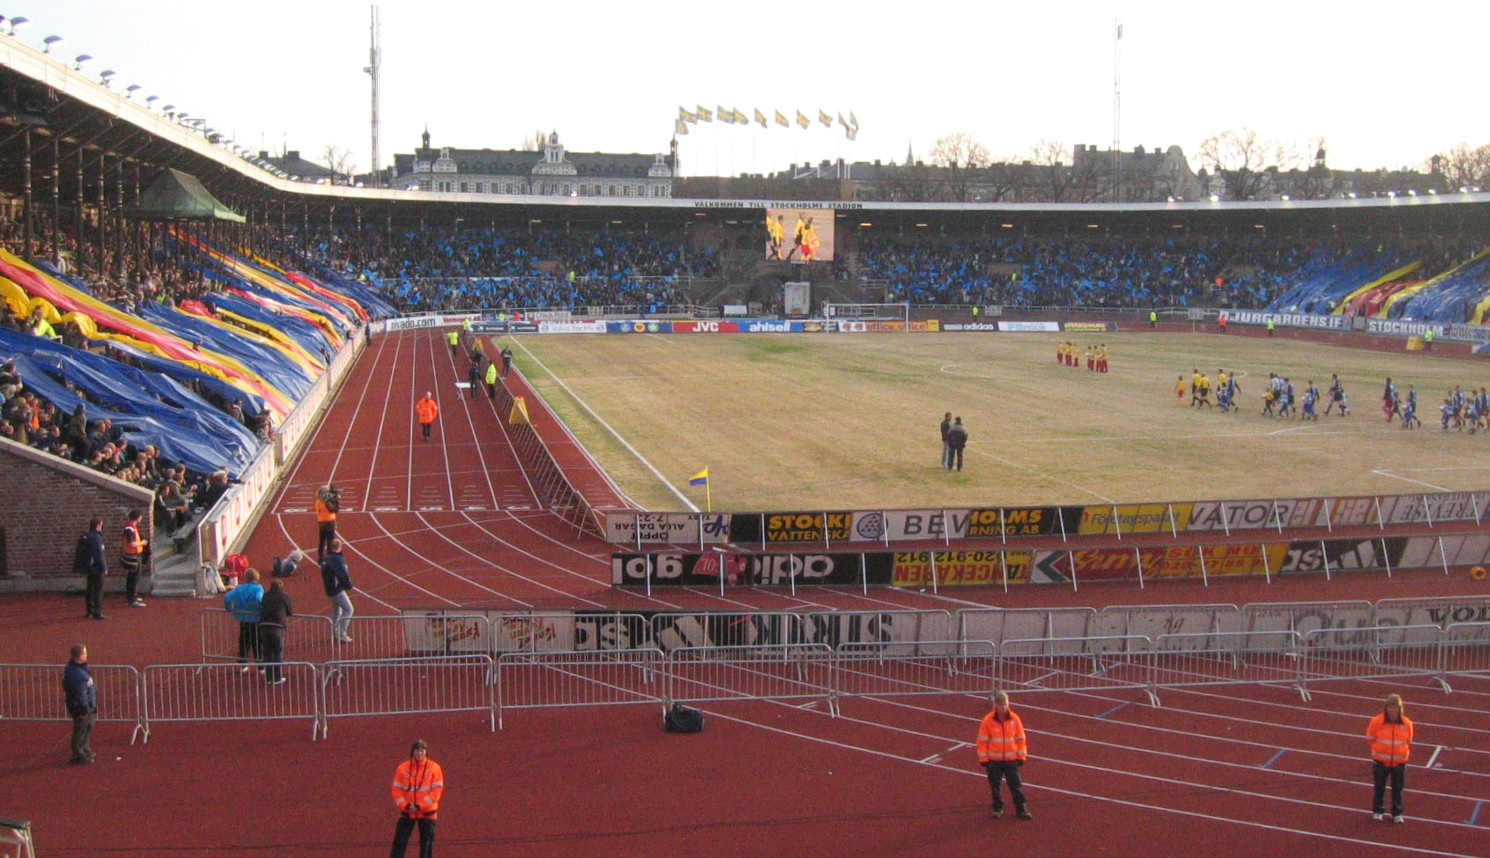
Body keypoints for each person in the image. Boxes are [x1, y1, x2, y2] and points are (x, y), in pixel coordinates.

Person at [977, 690, 1032, 820]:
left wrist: (1021, 756)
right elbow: (982, 741)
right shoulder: (988, 721)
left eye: (1006, 704)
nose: (1004, 707)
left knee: (1016, 785)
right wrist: (983, 759)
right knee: (995, 786)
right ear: (995, 705)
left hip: (1011, 759)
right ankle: (998, 808)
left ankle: (1021, 809)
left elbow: (1020, 738)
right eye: (1002, 705)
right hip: (994, 760)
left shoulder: (1014, 719)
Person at [391, 739, 444, 858]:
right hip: (407, 812)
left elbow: (437, 791)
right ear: (412, 752)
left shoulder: (434, 768)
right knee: (399, 843)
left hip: (427, 813)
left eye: (422, 750)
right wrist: (405, 805)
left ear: (426, 752)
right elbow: (396, 790)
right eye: (417, 750)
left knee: (426, 846)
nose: (419, 753)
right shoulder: (402, 768)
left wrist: (421, 805)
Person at [1367, 693, 1413, 823]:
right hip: (1381, 761)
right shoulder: (1377, 721)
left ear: (1400, 709)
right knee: (1379, 787)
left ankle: (1397, 813)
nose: (1393, 711)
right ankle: (1377, 811)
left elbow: (1408, 740)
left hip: (1399, 762)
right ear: (1386, 708)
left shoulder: (1407, 723)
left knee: (1398, 789)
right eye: (1390, 707)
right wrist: (1380, 751)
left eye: (1395, 708)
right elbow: (1370, 738)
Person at [223, 568, 264, 673]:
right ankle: (261, 666)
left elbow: (227, 597)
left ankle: (243, 664)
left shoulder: (240, 588)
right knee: (257, 642)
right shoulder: (258, 588)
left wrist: (230, 608)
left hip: (243, 618)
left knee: (244, 641)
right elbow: (259, 599)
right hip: (255, 618)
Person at [63, 643, 96, 765]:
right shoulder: (76, 674)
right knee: (80, 730)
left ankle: (85, 750)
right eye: (85, 653)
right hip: (81, 708)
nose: (87, 655)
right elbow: (80, 695)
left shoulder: (79, 669)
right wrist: (84, 711)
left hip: (87, 705)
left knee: (87, 728)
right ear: (80, 656)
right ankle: (80, 755)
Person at [258, 580, 293, 686]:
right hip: (277, 626)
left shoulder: (265, 596)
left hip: (263, 626)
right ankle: (277, 678)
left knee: (267, 653)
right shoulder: (284, 596)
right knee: (277, 653)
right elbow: (290, 611)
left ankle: (269, 678)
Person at [321, 538, 355, 643]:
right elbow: (342, 574)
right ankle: (341, 633)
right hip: (337, 590)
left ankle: (335, 633)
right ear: (340, 547)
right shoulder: (338, 560)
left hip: (329, 590)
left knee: (336, 610)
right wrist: (349, 586)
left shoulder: (326, 560)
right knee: (349, 609)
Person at [75, 516, 108, 620]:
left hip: (89, 567)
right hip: (96, 568)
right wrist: (104, 567)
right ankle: (97, 612)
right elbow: (99, 554)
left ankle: (89, 610)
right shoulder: (96, 538)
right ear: (98, 526)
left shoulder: (85, 536)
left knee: (90, 588)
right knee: (98, 590)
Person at [120, 509, 149, 608]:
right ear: (137, 517)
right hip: (133, 555)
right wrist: (142, 543)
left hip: (135, 555)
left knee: (133, 577)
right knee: (134, 577)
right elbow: (131, 543)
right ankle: (132, 598)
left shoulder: (131, 527)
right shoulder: (130, 528)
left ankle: (133, 596)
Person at [315, 485, 340, 562]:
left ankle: (321, 558)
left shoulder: (318, 501)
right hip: (330, 523)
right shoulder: (328, 501)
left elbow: (318, 511)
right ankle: (329, 558)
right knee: (330, 541)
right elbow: (334, 509)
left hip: (322, 523)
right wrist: (337, 501)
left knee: (322, 541)